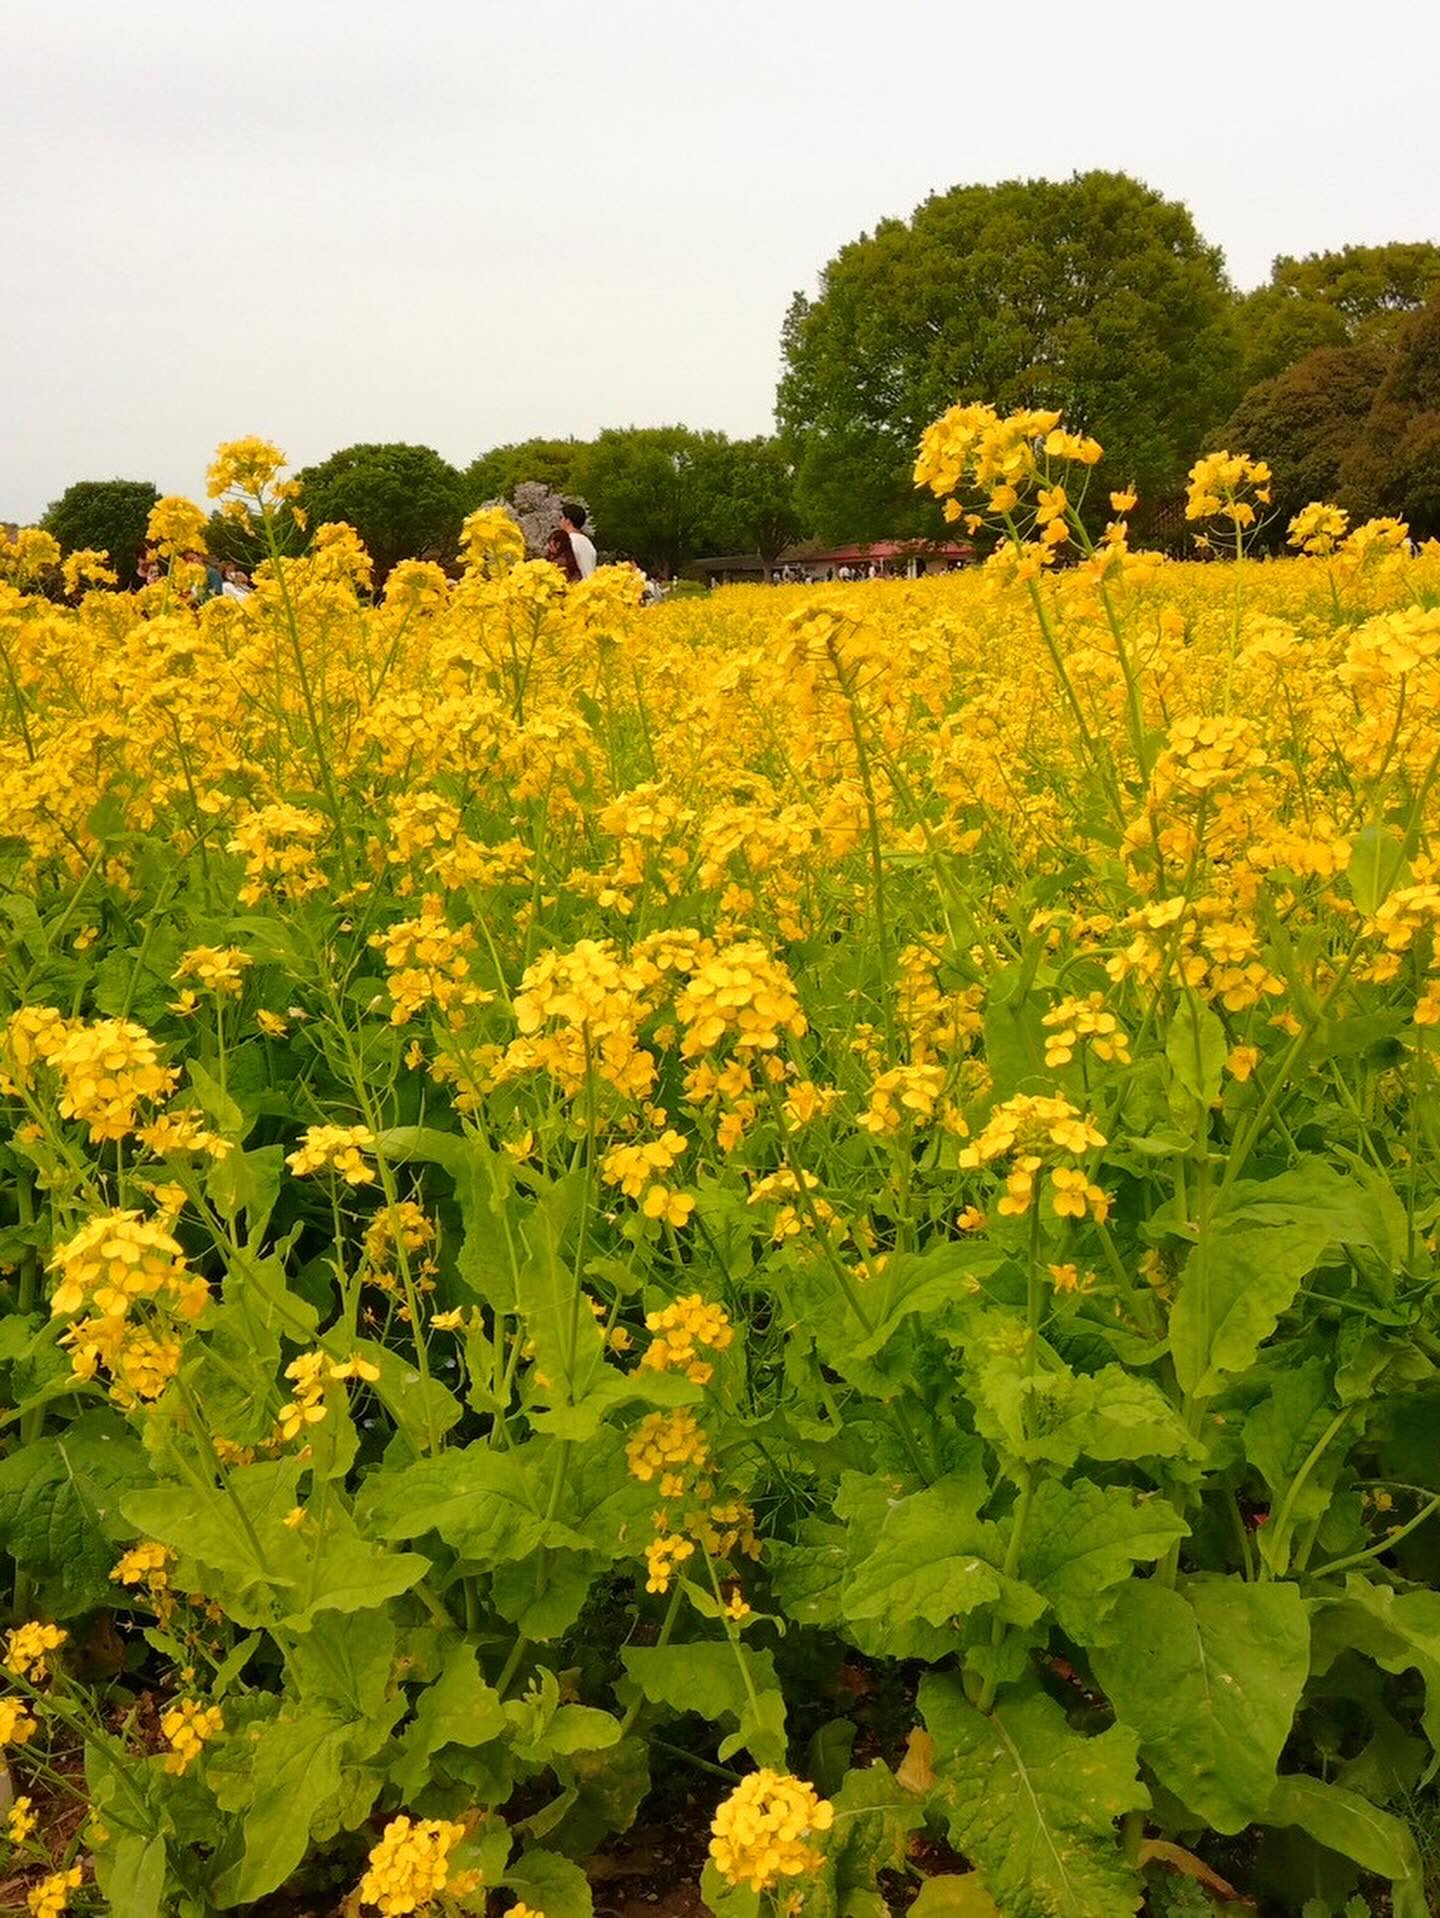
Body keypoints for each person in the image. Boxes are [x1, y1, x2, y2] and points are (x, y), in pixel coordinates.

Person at [560, 502, 597, 579]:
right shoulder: (587, 542)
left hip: (576, 584)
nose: (561, 521)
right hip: (591, 583)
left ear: (568, 521)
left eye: (562, 518)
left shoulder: (566, 541)